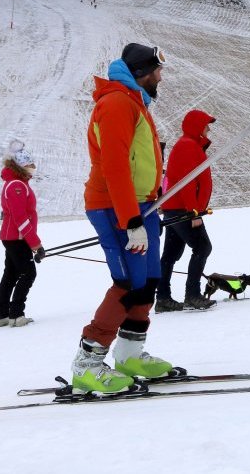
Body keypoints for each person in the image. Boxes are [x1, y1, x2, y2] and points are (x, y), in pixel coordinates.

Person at [70, 42, 173, 394]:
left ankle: (129, 355)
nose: (161, 77)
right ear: (142, 72)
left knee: (147, 281)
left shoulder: (134, 102)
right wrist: (131, 220)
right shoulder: (116, 103)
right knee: (128, 283)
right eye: (157, 70)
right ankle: (87, 365)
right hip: (115, 207)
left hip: (142, 205)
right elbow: (114, 165)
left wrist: (151, 199)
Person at [155, 109, 218, 312]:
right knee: (202, 247)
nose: (208, 129)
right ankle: (192, 295)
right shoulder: (188, 146)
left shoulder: (189, 145)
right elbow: (186, 182)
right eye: (206, 125)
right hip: (183, 209)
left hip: (176, 207)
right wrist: (194, 212)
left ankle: (163, 298)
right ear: (197, 126)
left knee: (171, 254)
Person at [0, 140, 45, 327]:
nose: (33, 167)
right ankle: (16, 314)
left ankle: (1, 315)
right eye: (30, 164)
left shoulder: (17, 183)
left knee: (11, 274)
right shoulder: (17, 185)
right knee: (28, 273)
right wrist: (35, 244)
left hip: (13, 237)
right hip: (17, 238)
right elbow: (20, 217)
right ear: (21, 166)